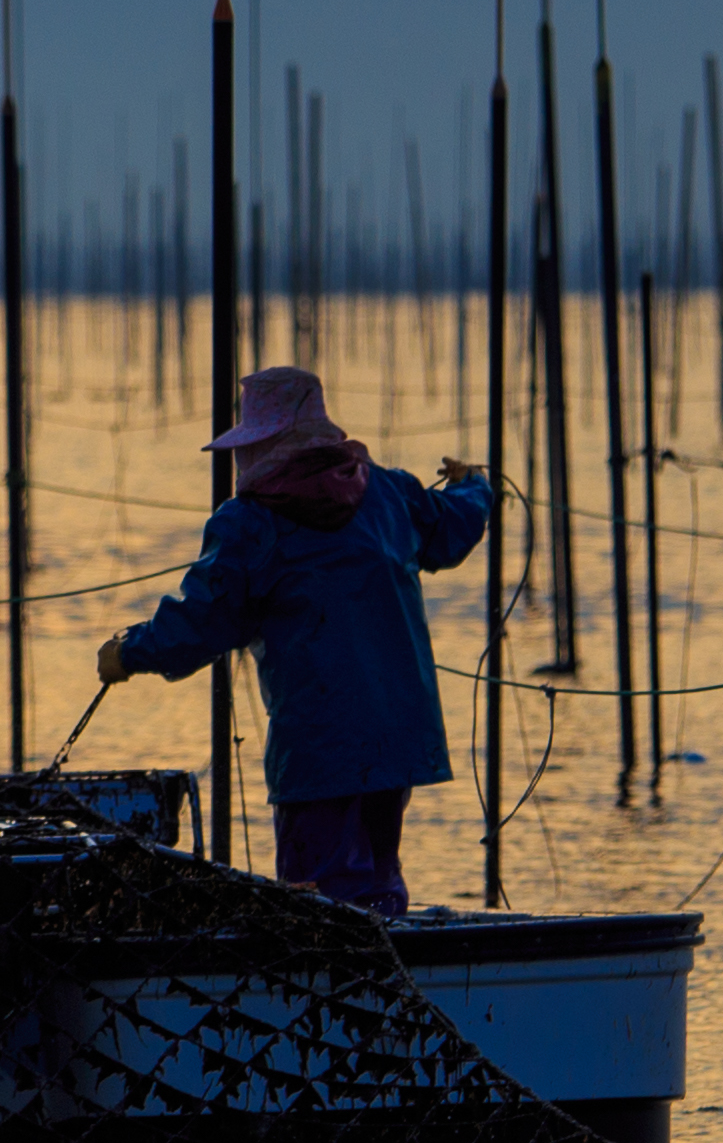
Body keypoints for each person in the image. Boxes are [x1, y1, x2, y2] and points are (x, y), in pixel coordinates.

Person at [95, 362, 495, 915]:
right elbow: (452, 529)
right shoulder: (390, 492)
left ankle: (344, 994)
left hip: (317, 748)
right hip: (396, 737)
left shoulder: (249, 522)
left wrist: (127, 652)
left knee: (316, 907)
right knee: (378, 888)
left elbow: (202, 623)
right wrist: (476, 484)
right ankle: (392, 986)